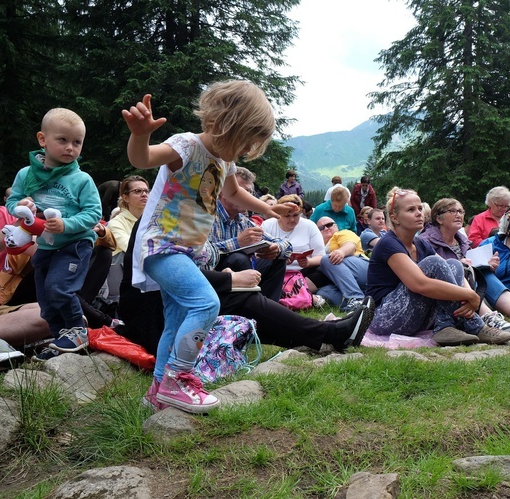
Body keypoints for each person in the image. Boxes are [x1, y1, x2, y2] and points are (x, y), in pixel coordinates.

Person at [122, 81, 291, 414]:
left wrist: (268, 209)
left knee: (177, 319)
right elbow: (142, 158)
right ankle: (178, 378)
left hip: (187, 251)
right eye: (244, 142)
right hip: (163, 246)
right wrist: (140, 134)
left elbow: (234, 195)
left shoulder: (224, 162)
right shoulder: (187, 145)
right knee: (205, 304)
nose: (243, 152)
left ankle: (158, 390)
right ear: (224, 123)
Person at [118, 217, 375, 373]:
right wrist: (230, 279)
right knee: (241, 300)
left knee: (245, 303)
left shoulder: (179, 215)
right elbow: (169, 277)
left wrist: (225, 272)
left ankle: (318, 335)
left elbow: (193, 267)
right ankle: (331, 335)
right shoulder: (163, 220)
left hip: (171, 305)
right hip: (152, 316)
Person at [5, 108, 102, 361]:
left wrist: (66, 224)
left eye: (77, 142)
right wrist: (20, 206)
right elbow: (12, 201)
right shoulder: (26, 175)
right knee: (45, 298)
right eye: (63, 140)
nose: (70, 147)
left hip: (75, 243)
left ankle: (78, 331)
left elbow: (93, 214)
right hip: (46, 246)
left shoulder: (82, 179)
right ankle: (61, 338)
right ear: (42, 139)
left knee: (59, 287)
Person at [366, 187, 510, 346]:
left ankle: (445, 326)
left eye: (420, 208)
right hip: (385, 318)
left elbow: (448, 269)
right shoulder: (388, 243)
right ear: (394, 218)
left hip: (415, 315)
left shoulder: (420, 243)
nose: (418, 213)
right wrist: (470, 296)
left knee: (454, 264)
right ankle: (474, 325)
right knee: (433, 263)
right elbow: (420, 284)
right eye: (411, 210)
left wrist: (470, 294)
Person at [419, 199, 510, 332]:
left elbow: (473, 267)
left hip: (470, 291)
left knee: (484, 272)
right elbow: (428, 270)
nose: (458, 215)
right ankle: (488, 316)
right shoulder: (425, 241)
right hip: (441, 296)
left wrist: (489, 265)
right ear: (439, 219)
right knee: (463, 270)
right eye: (452, 211)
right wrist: (460, 265)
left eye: (460, 211)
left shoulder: (464, 242)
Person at [0, 159, 50, 350]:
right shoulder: (9, 222)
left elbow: (42, 248)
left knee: (55, 314)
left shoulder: (1, 214)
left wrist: (77, 226)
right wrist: (13, 229)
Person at [210, 167, 292, 301]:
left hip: (237, 275)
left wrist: (276, 249)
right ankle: (247, 308)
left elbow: (286, 245)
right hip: (211, 277)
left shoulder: (243, 221)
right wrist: (237, 243)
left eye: (251, 192)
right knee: (238, 258)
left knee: (278, 258)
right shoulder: (209, 216)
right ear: (224, 192)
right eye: (244, 191)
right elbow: (200, 253)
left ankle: (267, 312)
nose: (249, 197)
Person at [261, 194, 328, 304]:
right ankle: (304, 295)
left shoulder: (309, 226)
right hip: (275, 273)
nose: (292, 219)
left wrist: (307, 262)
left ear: (301, 212)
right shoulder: (268, 225)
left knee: (325, 269)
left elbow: (321, 256)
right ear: (279, 214)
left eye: (296, 215)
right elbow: (259, 254)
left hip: (303, 273)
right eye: (287, 216)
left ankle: (290, 293)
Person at [106, 175, 150, 304]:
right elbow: (132, 249)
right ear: (125, 197)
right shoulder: (116, 223)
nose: (144, 194)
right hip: (125, 280)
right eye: (137, 191)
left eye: (146, 191)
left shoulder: (155, 221)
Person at [316, 216, 369, 312]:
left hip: (362, 268)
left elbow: (350, 245)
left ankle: (356, 298)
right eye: (321, 228)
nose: (326, 228)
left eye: (329, 225)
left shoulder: (342, 233)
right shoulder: (318, 247)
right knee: (323, 292)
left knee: (328, 259)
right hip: (345, 281)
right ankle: (368, 302)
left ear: (336, 226)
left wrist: (341, 252)